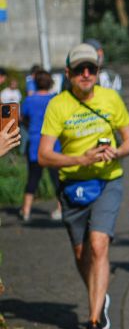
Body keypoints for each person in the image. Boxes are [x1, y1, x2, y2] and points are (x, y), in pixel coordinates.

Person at [38, 42, 129, 329]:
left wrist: (118, 152)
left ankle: (94, 323)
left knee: (98, 245)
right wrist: (81, 159)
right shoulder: (58, 106)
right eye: (79, 69)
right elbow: (44, 155)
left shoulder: (111, 99)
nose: (85, 74)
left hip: (108, 181)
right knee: (83, 255)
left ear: (97, 72)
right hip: (72, 187)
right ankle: (99, 295)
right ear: (68, 73)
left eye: (91, 69)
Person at [19, 70, 63, 221]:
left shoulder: (29, 100)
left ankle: (26, 211)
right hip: (53, 144)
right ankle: (60, 209)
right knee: (57, 180)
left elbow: (22, 117)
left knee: (32, 178)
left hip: (35, 143)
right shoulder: (55, 100)